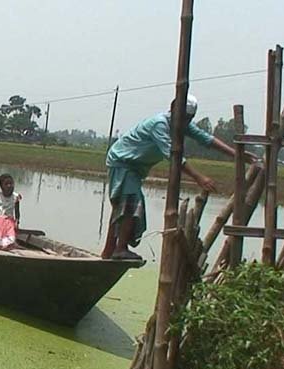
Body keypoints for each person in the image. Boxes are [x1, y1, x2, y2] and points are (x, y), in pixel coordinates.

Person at [101, 94, 241, 260]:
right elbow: (172, 155)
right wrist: (199, 177)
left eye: (188, 119)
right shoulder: (160, 124)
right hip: (123, 163)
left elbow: (207, 139)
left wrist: (238, 154)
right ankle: (120, 249)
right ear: (174, 110)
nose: (185, 122)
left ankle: (108, 252)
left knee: (122, 207)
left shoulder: (181, 125)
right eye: (183, 117)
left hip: (134, 168)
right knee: (130, 203)